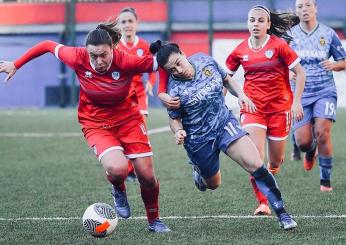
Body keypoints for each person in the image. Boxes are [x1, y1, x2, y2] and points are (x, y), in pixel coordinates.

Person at [0, 20, 170, 233]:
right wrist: (16, 64)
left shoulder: (126, 61)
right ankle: (118, 188)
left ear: (113, 50)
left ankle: (154, 221)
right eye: (93, 56)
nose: (98, 61)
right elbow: (45, 45)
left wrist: (163, 89)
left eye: (103, 55)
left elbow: (161, 63)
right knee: (117, 169)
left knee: (146, 175)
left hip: (129, 120)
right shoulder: (77, 57)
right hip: (96, 123)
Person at [150, 40, 298, 230]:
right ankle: (200, 174)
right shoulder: (173, 90)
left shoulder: (205, 61)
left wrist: (242, 95)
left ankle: (282, 213)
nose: (178, 70)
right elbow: (174, 119)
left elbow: (226, 80)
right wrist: (178, 130)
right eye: (172, 69)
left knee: (256, 164)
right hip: (199, 139)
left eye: (178, 63)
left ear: (183, 53)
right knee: (213, 184)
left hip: (224, 124)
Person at [225, 5, 306, 215]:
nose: (256, 24)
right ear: (247, 23)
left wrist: (296, 102)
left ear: (269, 24)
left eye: (261, 20)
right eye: (252, 20)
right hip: (253, 109)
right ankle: (263, 202)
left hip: (280, 109)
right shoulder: (240, 50)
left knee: (275, 161)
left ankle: (271, 176)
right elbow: (226, 79)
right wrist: (221, 103)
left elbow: (300, 72)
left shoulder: (279, 46)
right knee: (255, 158)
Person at [290, 0, 346, 191]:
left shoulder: (328, 33)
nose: (304, 9)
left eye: (307, 5)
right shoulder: (289, 36)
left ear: (315, 8)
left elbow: (343, 61)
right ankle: (309, 150)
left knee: (322, 133)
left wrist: (335, 65)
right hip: (299, 94)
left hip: (324, 90)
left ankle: (325, 180)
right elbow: (279, 61)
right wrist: (285, 71)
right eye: (299, 6)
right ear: (295, 11)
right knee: (303, 142)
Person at [117, 7, 158, 182]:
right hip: (120, 96)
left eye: (130, 21)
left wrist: (150, 83)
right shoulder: (115, 46)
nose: (127, 25)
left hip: (139, 93)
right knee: (122, 133)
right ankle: (128, 169)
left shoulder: (144, 46)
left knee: (140, 130)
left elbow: (153, 68)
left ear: (136, 23)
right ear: (119, 25)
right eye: (123, 22)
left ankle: (135, 169)